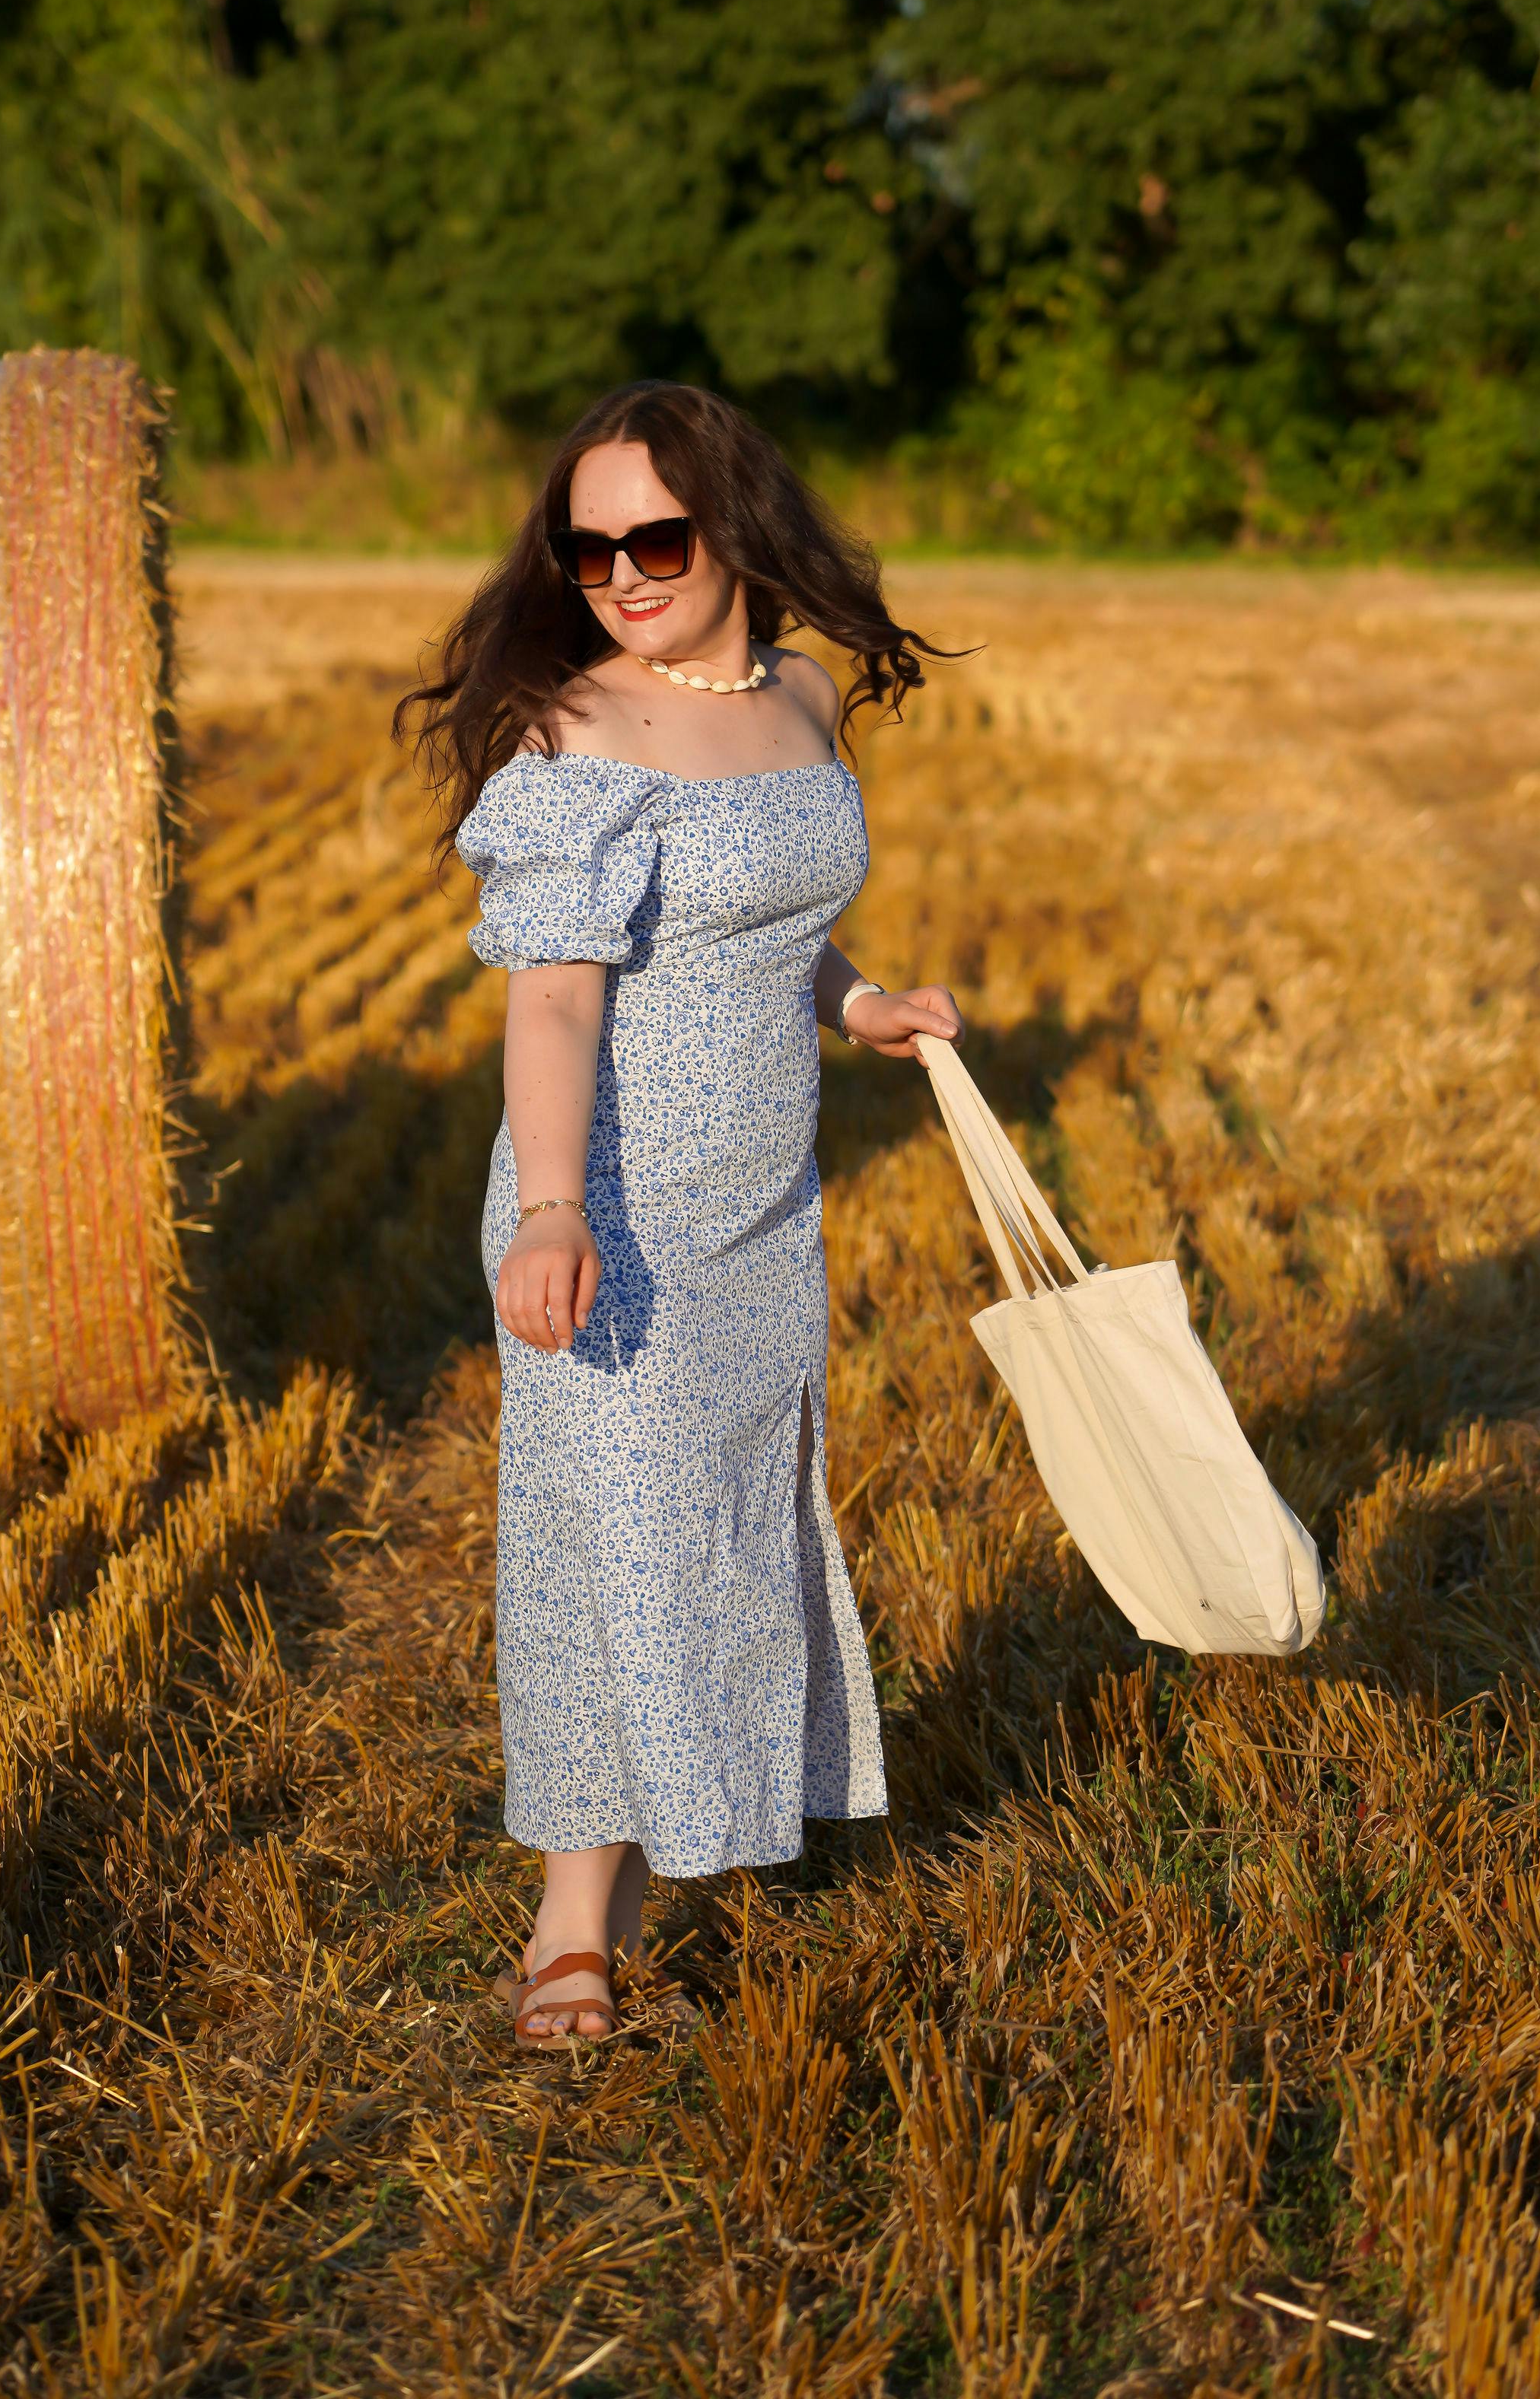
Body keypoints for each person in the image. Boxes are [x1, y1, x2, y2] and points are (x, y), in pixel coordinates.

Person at [396, 380, 962, 2046]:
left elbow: (773, 922)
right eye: (591, 550)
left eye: (657, 535)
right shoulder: (580, 734)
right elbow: (555, 1005)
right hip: (612, 1205)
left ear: (734, 527)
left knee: (719, 1526)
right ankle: (572, 1919)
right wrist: (555, 1209)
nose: (625, 574)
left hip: (761, 1210)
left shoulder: (797, 696)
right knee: (610, 1547)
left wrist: (858, 1008)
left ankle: (672, 1819)